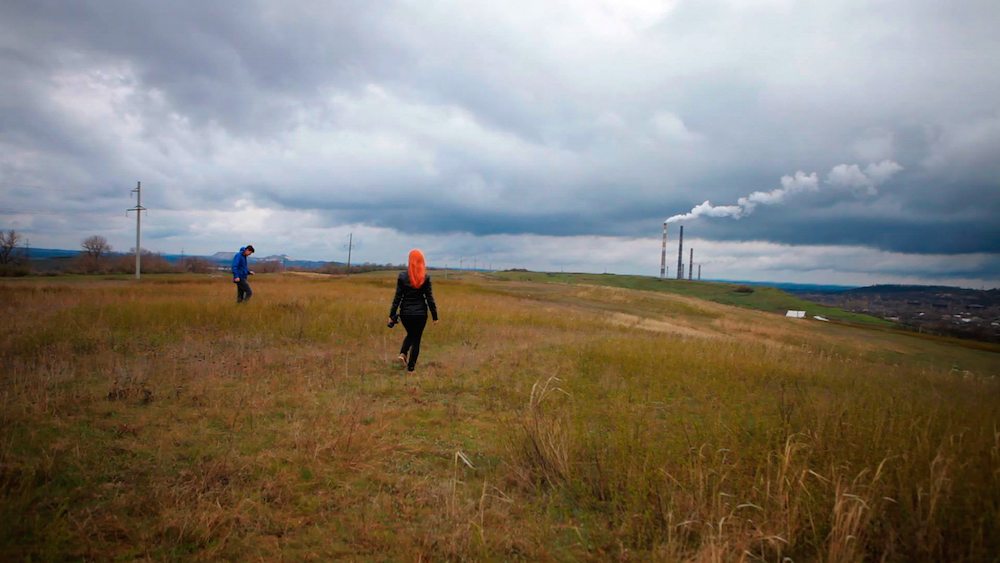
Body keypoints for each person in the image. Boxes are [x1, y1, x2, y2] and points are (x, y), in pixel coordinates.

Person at [388, 249, 439, 372]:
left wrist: (392, 315)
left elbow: (397, 298)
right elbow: (429, 298)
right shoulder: (425, 278)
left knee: (411, 334)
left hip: (405, 313)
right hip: (421, 314)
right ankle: (410, 368)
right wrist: (435, 316)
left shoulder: (402, 276)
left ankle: (403, 353)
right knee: (416, 338)